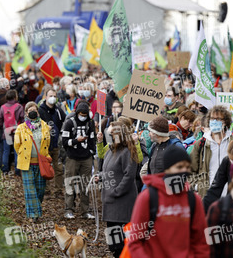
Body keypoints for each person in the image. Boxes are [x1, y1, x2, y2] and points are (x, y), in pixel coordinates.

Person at [128, 146, 209, 257]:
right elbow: (135, 241)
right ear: (167, 169)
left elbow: (201, 241)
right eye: (179, 167)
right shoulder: (148, 198)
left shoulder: (193, 200)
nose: (183, 171)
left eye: (187, 167)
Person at [99, 121, 139, 257]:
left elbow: (129, 176)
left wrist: (116, 192)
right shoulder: (111, 151)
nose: (108, 136)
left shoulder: (127, 151)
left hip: (121, 202)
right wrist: (100, 177)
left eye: (111, 134)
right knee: (113, 242)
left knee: (121, 243)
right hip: (111, 201)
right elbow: (110, 171)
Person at [14, 102, 51, 222]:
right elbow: (17, 145)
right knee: (30, 190)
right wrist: (24, 154)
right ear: (26, 113)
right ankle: (33, 215)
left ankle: (35, 210)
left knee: (40, 189)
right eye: (29, 110)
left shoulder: (45, 126)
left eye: (34, 109)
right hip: (26, 163)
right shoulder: (21, 128)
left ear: (38, 112)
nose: (32, 112)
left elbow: (47, 143)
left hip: (41, 163)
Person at [62, 101, 96, 219]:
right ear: (77, 113)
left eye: (85, 114)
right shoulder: (69, 123)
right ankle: (69, 209)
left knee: (85, 185)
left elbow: (92, 139)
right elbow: (65, 142)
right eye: (81, 114)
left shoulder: (90, 123)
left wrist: (92, 152)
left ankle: (85, 210)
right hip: (72, 158)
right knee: (70, 183)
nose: (83, 116)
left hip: (86, 158)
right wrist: (76, 140)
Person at [190, 105, 233, 197]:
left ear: (225, 122)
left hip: (229, 195)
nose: (214, 121)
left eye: (218, 119)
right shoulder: (201, 144)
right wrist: (197, 186)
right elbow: (191, 170)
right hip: (208, 195)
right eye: (212, 119)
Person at [38, 87, 66, 195]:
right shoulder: (41, 110)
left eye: (54, 96)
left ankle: (58, 190)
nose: (53, 98)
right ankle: (46, 190)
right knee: (45, 168)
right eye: (50, 96)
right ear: (45, 97)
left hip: (56, 144)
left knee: (58, 168)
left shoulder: (58, 110)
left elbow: (66, 120)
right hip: (45, 144)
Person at [0, 89, 24, 174]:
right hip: (17, 131)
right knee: (17, 151)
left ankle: (5, 170)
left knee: (6, 151)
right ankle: (17, 170)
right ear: (15, 96)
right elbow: (23, 118)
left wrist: (4, 126)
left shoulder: (3, 107)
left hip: (7, 132)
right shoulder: (19, 106)